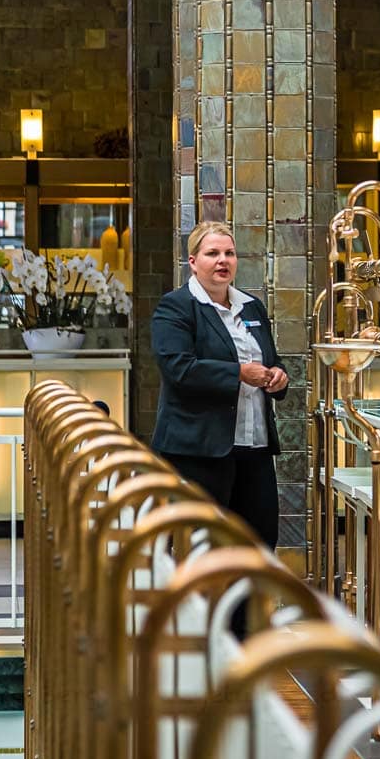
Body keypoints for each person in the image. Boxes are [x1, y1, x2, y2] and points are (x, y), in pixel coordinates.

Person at [150, 221, 289, 551]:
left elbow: (271, 359)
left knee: (258, 546)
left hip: (253, 449)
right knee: (204, 550)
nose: (223, 260)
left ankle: (250, 606)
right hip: (199, 452)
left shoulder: (251, 307)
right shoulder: (177, 306)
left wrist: (278, 376)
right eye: (212, 253)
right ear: (193, 261)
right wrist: (240, 373)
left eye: (230, 253)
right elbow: (178, 369)